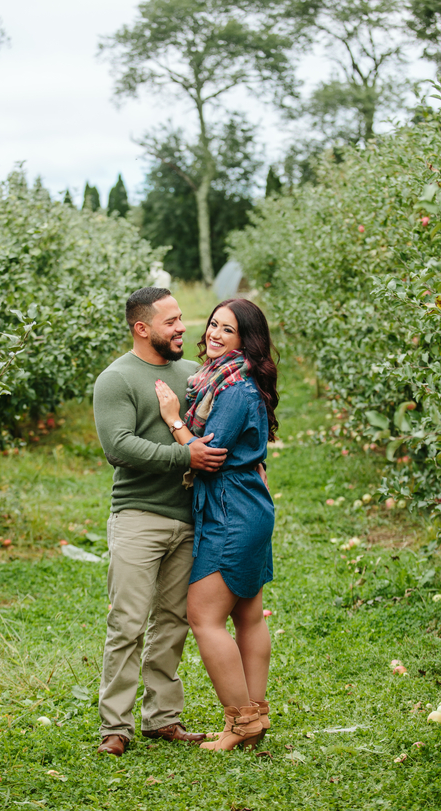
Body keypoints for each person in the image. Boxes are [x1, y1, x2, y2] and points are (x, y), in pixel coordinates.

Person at [93, 286, 228, 756]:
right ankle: (116, 726)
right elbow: (119, 448)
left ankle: (162, 718)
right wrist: (183, 455)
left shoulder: (192, 373)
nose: (182, 328)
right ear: (141, 327)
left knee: (173, 622)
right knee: (127, 622)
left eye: (181, 318)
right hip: (138, 517)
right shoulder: (116, 379)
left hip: (189, 518)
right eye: (171, 321)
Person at [154, 298, 278, 751]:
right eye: (213, 325)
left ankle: (242, 721)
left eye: (228, 330)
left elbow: (209, 454)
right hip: (247, 507)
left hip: (231, 511)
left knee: (203, 616)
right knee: (246, 614)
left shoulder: (235, 389)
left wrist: (172, 420)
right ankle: (255, 714)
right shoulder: (221, 381)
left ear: (246, 340)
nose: (215, 334)